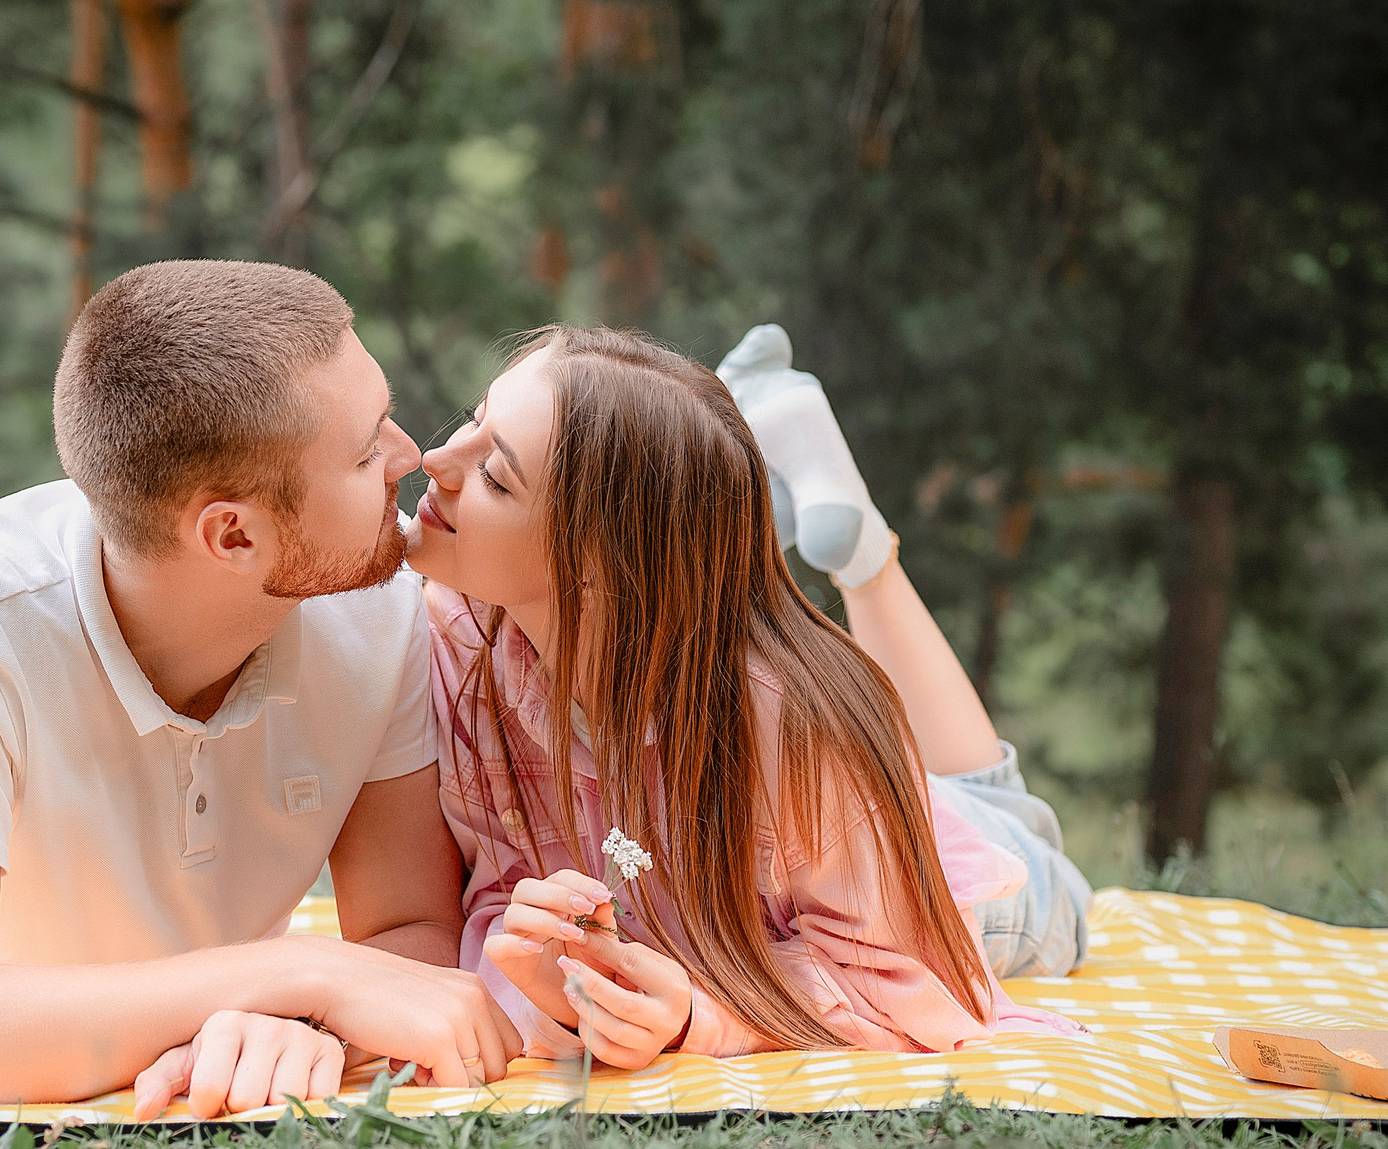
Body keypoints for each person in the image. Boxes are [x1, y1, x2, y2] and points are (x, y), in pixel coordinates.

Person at [0, 260, 520, 1116]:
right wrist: (297, 971)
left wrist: (317, 1029)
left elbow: (406, 934)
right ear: (233, 533)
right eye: (366, 453)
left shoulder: (377, 605)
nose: (412, 456)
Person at [406, 325, 1089, 1067]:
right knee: (940, 784)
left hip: (920, 882)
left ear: (599, 563)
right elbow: (495, 899)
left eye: (496, 477)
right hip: (830, 827)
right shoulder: (456, 637)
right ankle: (770, 460)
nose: (434, 461)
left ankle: (860, 550)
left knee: (1021, 833)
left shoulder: (795, 726)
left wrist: (699, 1013)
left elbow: (905, 978)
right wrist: (549, 993)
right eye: (473, 421)